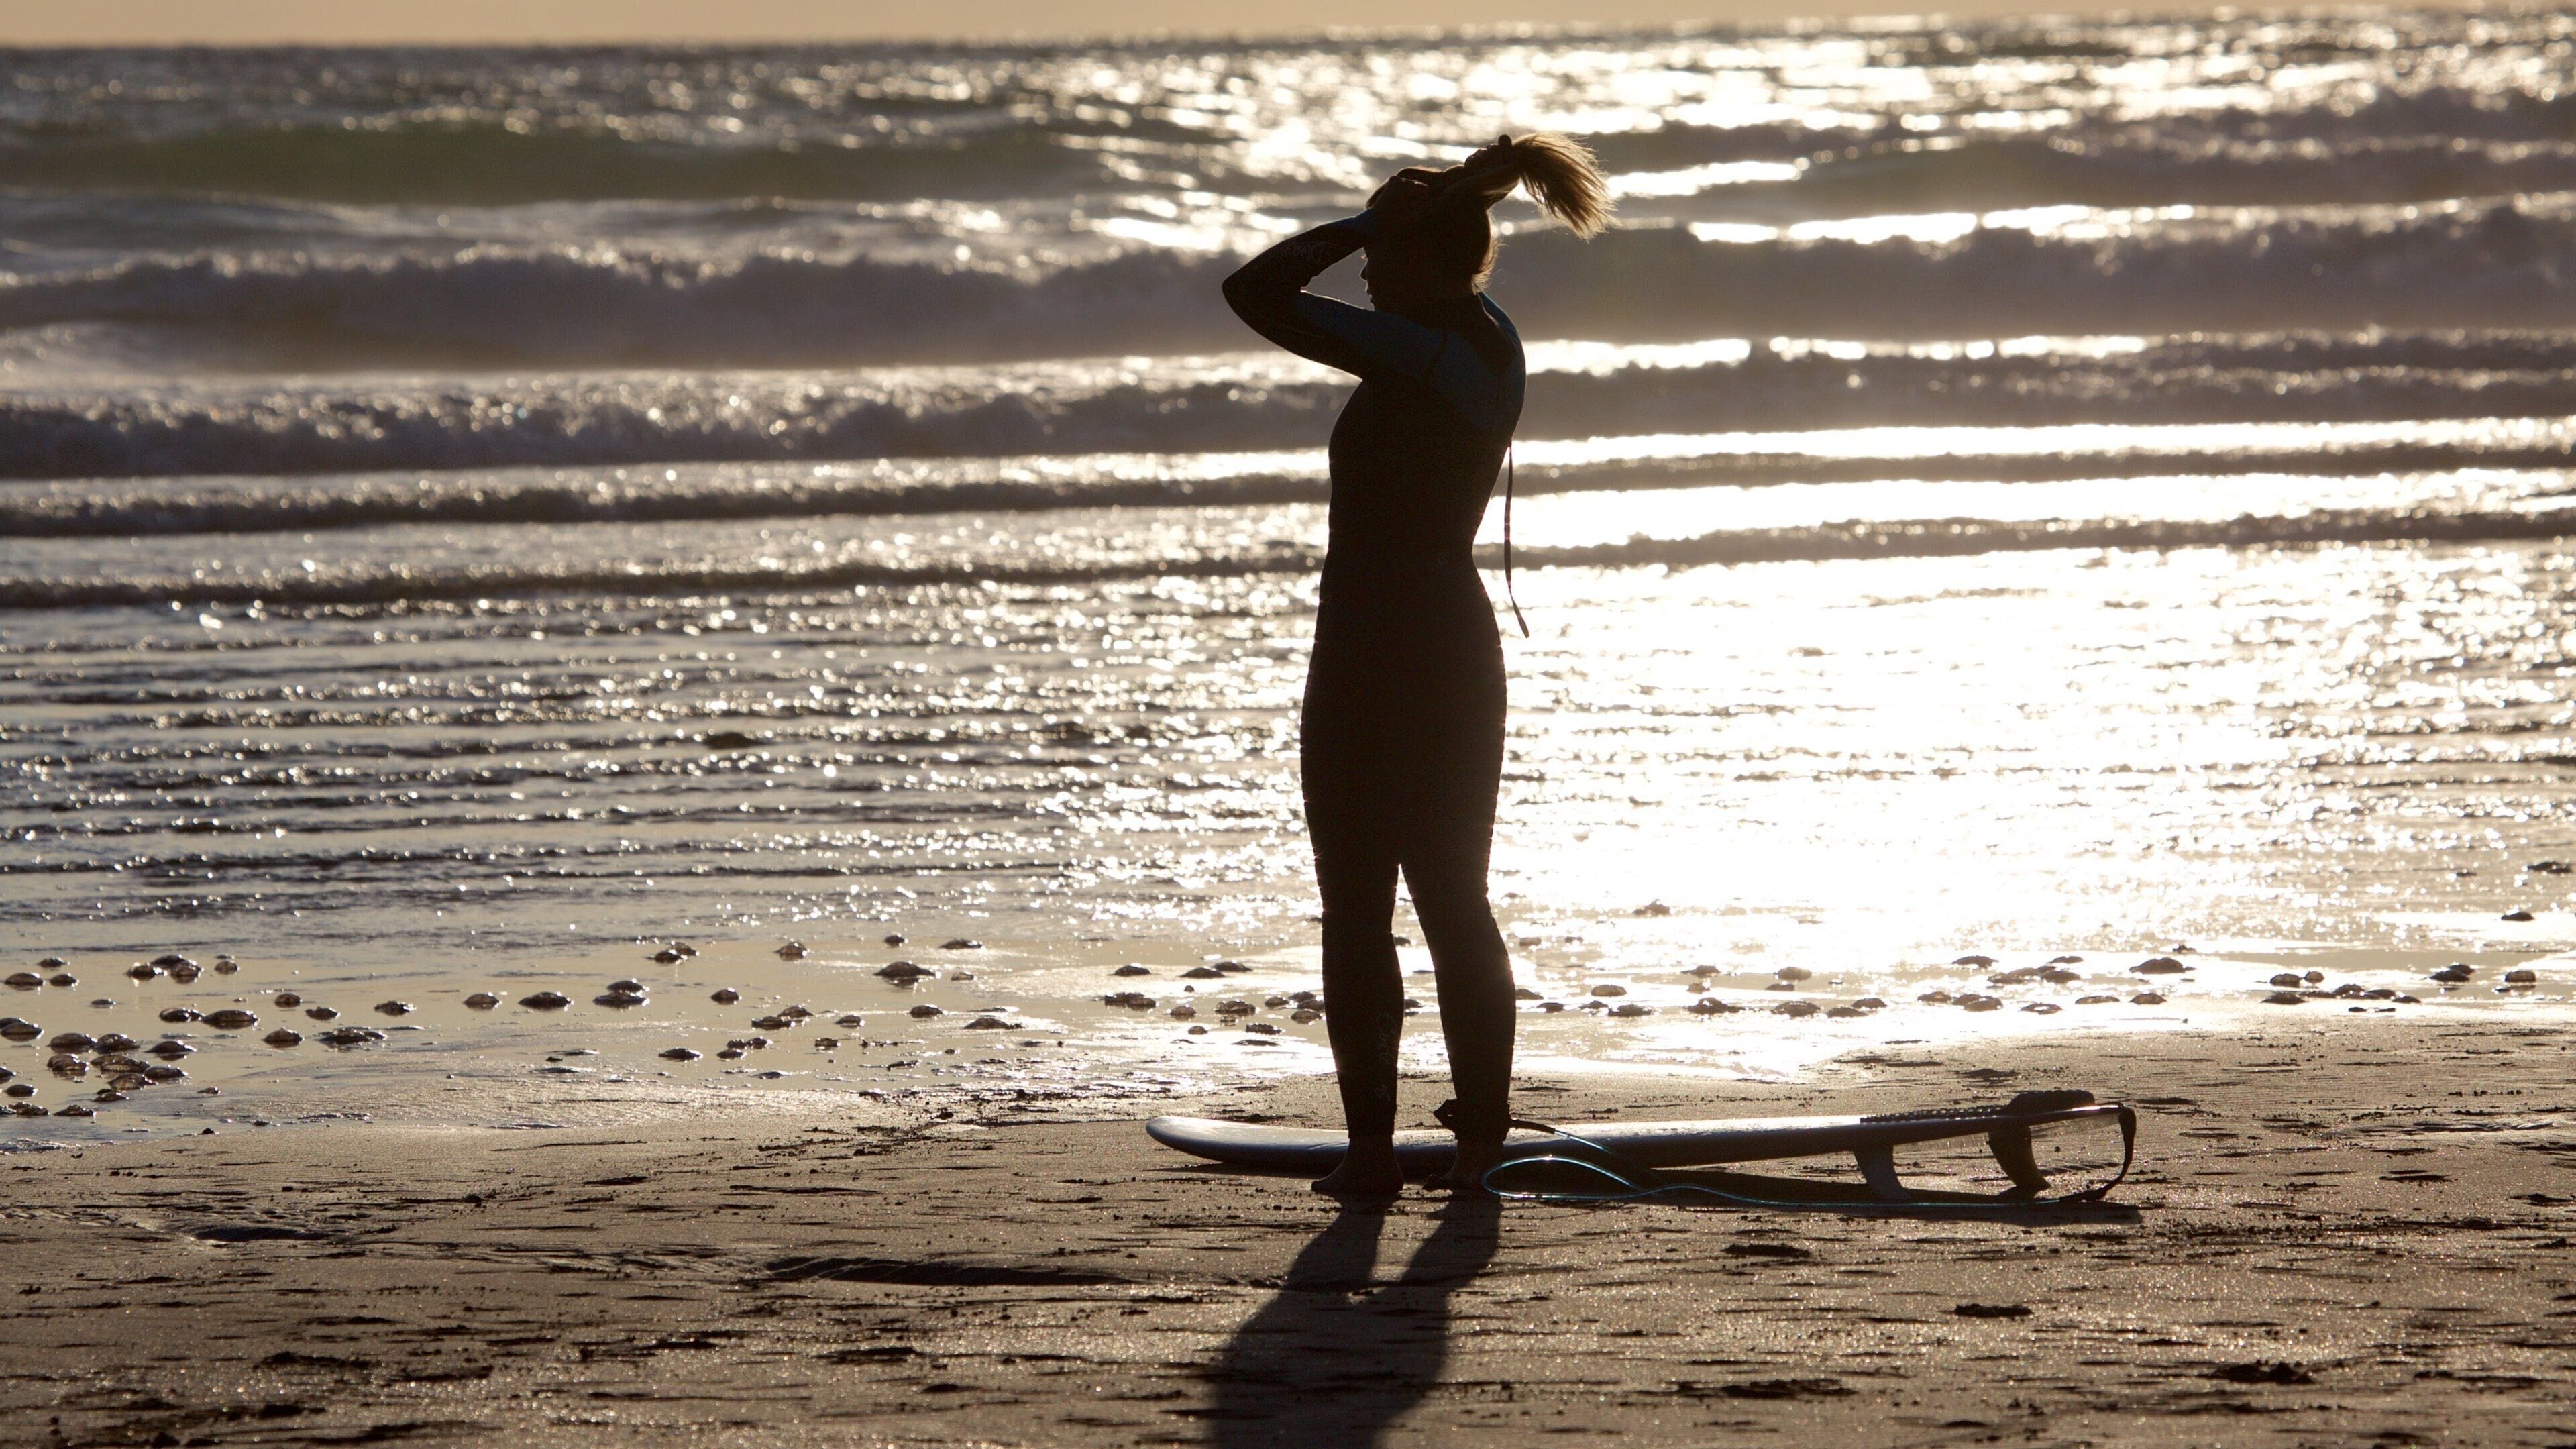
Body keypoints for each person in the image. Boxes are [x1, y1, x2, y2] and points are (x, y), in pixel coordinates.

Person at [1221, 133, 1611, 1197]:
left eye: (1382, 259)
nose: (1364, 275)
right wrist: (1402, 217)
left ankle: (1464, 1143)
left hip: (1412, 652)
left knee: (1437, 900)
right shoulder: (1473, 340)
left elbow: (1254, 291)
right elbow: (1271, 291)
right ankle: (1382, 1150)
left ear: (1429, 261)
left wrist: (1366, 221)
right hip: (1382, 647)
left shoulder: (1444, 350)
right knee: (1364, 904)